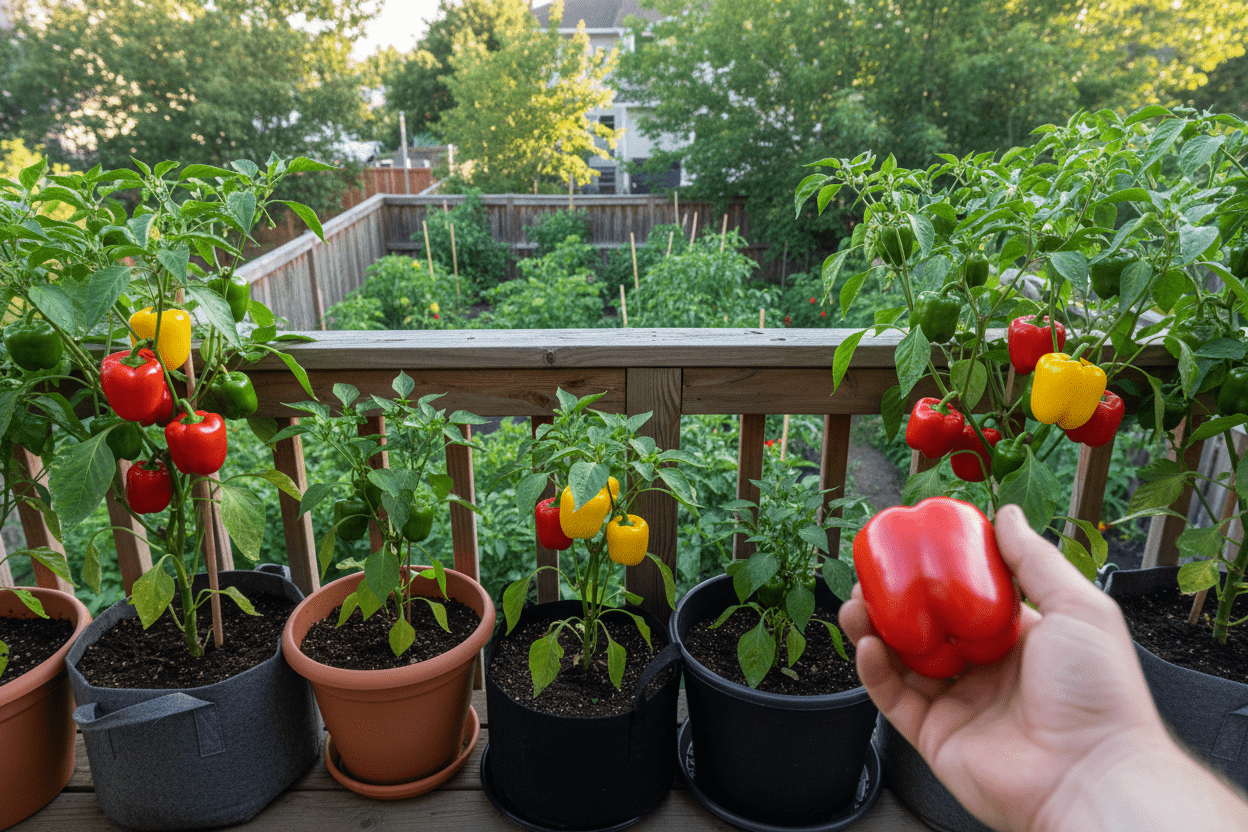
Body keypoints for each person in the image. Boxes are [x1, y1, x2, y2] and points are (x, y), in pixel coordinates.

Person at [838, 503, 1248, 832]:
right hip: (977, 643)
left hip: (962, 656)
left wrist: (1102, 755)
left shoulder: (884, 535)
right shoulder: (960, 517)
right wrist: (1107, 762)